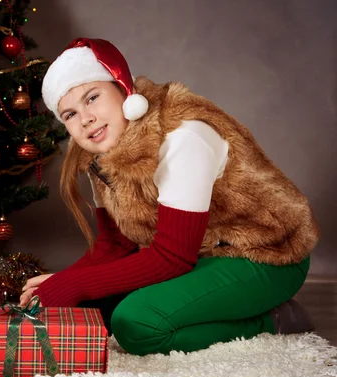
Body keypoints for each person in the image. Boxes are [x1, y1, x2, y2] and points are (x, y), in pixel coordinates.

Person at [20, 38, 320, 356]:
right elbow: (116, 245)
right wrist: (61, 281)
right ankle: (224, 306)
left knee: (135, 323)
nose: (86, 119)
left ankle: (271, 320)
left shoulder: (182, 137)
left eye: (92, 98)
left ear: (123, 90)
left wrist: (74, 285)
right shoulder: (99, 154)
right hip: (205, 258)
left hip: (266, 255)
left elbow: (172, 257)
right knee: (94, 307)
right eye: (69, 114)